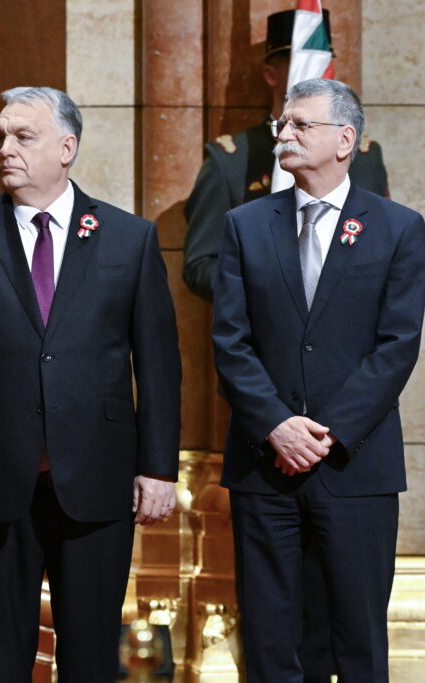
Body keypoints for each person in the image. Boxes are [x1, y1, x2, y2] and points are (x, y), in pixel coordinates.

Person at [0, 86, 181, 681]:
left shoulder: (128, 239)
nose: (6, 148)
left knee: (89, 658)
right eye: (1, 136)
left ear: (67, 147)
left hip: (98, 481)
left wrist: (159, 467)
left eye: (23, 136)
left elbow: (158, 362)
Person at [213, 77, 425, 682]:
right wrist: (277, 425)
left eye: (301, 124)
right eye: (284, 123)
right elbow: (230, 341)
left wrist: (324, 434)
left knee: (357, 640)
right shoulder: (245, 225)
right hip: (264, 466)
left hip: (353, 467)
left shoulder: (398, 227)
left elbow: (397, 345)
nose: (284, 133)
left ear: (345, 139)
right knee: (271, 641)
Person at [184, 9, 388, 302]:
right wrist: (270, 289)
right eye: (302, 67)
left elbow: (386, 250)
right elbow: (200, 265)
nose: (315, 79)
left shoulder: (365, 157)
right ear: (271, 74)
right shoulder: (231, 159)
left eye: (322, 66)